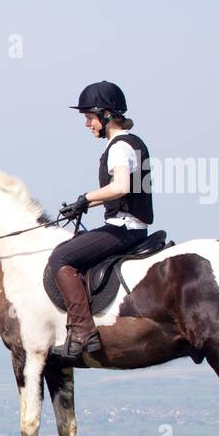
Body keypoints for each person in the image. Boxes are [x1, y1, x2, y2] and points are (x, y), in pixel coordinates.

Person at [48, 81, 154, 360]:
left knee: (61, 258)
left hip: (124, 229)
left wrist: (86, 197)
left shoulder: (119, 147)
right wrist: (82, 205)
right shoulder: (133, 142)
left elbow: (121, 187)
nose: (87, 124)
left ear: (105, 115)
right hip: (130, 225)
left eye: (88, 117)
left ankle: (83, 331)